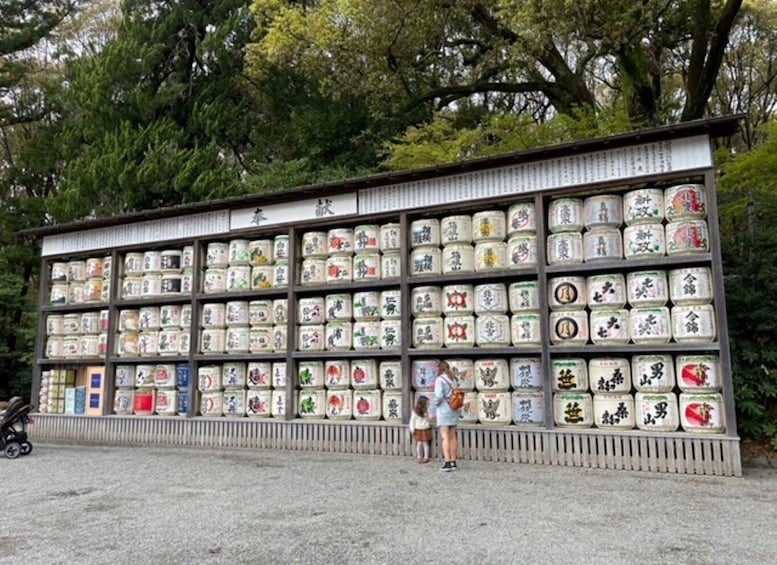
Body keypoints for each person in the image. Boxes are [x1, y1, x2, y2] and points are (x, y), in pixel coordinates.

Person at [432, 360, 460, 471]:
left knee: (445, 436)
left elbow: (439, 396)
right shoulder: (453, 379)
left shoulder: (440, 380)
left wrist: (434, 405)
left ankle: (447, 462)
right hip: (454, 409)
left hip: (444, 409)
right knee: (453, 436)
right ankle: (453, 462)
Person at [408, 396, 431, 464]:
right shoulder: (426, 411)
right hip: (425, 429)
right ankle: (426, 457)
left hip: (418, 429)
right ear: (424, 403)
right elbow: (429, 419)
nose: (429, 403)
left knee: (419, 444)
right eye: (427, 402)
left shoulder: (414, 411)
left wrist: (412, 428)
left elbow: (412, 421)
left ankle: (419, 457)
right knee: (425, 444)